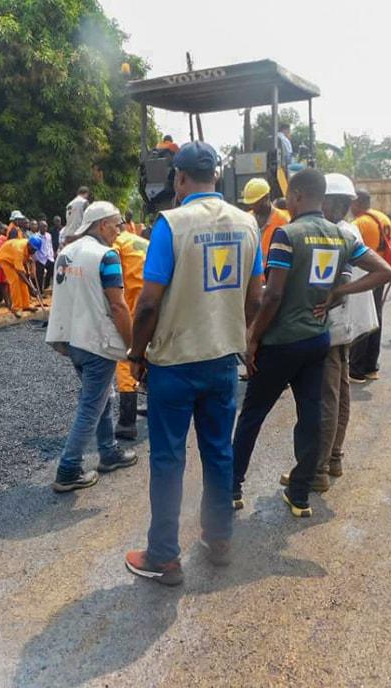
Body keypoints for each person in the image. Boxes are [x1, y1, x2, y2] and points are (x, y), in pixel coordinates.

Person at [123, 141, 263, 586]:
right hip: (222, 361)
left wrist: (137, 354)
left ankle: (164, 557)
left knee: (168, 458)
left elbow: (147, 304)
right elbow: (256, 297)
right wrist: (237, 336)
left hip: (175, 364)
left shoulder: (171, 223)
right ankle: (219, 539)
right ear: (217, 178)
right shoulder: (248, 224)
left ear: (179, 179)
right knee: (219, 452)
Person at [231, 169, 391, 519]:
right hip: (317, 340)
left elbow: (272, 294)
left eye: (289, 196)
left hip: (281, 342)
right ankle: (300, 493)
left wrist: (253, 336)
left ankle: (233, 488)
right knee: (311, 417)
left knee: (253, 415)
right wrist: (337, 292)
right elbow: (385, 271)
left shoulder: (287, 235)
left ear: (299, 195)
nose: (287, 201)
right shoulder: (341, 236)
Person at [46, 201, 138, 492]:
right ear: (102, 225)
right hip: (96, 341)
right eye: (116, 225)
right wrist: (134, 347)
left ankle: (109, 451)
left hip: (71, 340)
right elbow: (119, 306)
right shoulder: (106, 256)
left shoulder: (67, 252)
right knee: (91, 405)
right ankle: (68, 469)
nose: (119, 230)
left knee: (99, 397)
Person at [311, 173, 381, 486]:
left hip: (334, 325)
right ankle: (335, 458)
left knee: (327, 397)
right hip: (349, 325)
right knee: (340, 390)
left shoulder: (331, 234)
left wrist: (338, 293)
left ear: (327, 201)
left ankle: (318, 471)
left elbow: (336, 282)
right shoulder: (350, 229)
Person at [349, 189, 391, 382]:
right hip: (381, 274)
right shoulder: (382, 217)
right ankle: (371, 366)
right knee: (376, 318)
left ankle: (356, 369)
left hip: (365, 277)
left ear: (357, 203)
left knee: (361, 318)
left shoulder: (359, 223)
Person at [111, 227, 149, 440]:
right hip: (155, 299)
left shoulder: (114, 246)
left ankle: (127, 423)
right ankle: (154, 406)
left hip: (134, 302)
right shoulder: (136, 240)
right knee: (152, 352)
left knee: (127, 356)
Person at [243, 177, 290, 279]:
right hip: (251, 282)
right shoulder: (246, 220)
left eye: (256, 202)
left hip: (272, 282)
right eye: (251, 203)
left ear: (266, 197)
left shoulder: (283, 221)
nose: (253, 206)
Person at [0, 231, 41, 318]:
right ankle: (16, 308)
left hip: (13, 258)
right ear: (29, 245)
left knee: (23, 280)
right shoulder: (19, 250)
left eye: (35, 250)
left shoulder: (27, 245)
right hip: (4, 258)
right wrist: (31, 288)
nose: (34, 252)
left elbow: (24, 268)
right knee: (15, 280)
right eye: (33, 250)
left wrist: (29, 265)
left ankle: (25, 305)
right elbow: (20, 272)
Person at [33, 220, 55, 291]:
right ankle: (40, 291)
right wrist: (36, 258)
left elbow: (50, 245)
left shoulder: (49, 235)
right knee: (40, 276)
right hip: (40, 258)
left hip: (49, 257)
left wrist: (52, 254)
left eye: (46, 226)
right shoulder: (36, 236)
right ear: (40, 227)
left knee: (52, 271)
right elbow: (35, 249)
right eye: (43, 226)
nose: (45, 228)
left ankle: (46, 286)